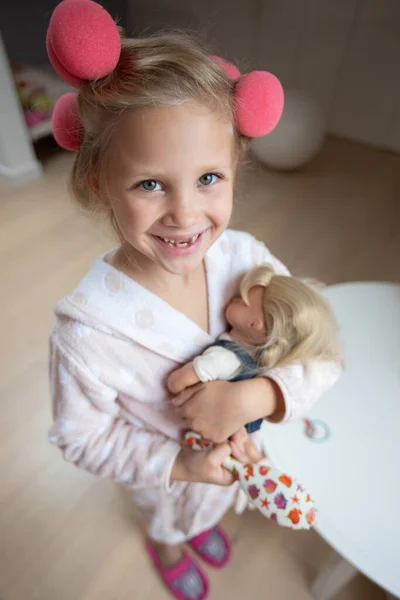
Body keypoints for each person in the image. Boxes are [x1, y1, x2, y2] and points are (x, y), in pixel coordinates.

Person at [47, 2, 341, 599]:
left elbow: (320, 351)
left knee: (215, 505)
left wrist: (261, 394)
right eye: (150, 183)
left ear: (234, 166)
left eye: (208, 178)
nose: (185, 215)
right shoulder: (86, 334)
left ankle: (200, 523)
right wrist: (181, 467)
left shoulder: (248, 263)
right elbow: (80, 438)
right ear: (101, 181)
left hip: (235, 460)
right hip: (165, 480)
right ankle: (169, 545)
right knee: (172, 519)